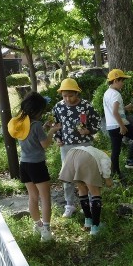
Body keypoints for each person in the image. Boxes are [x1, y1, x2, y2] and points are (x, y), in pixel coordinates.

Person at [8, 92, 61, 242]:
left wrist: (44, 128)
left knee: (32, 197)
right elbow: (44, 144)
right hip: (37, 165)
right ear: (37, 110)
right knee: (45, 197)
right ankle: (46, 231)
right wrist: (52, 131)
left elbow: (31, 137)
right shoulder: (36, 125)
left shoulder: (21, 123)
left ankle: (38, 225)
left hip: (24, 164)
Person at [52, 78, 101, 218]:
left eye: (71, 95)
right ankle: (69, 204)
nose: (68, 99)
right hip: (66, 146)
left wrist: (89, 131)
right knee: (68, 176)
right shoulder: (58, 107)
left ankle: (90, 202)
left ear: (77, 93)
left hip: (85, 144)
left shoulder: (86, 105)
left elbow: (97, 121)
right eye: (64, 96)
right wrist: (57, 138)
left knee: (87, 174)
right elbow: (55, 124)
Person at [59, 146, 113, 235]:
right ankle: (95, 227)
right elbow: (105, 166)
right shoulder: (105, 156)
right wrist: (107, 179)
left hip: (71, 155)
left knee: (82, 189)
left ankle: (88, 220)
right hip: (86, 158)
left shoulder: (95, 151)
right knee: (95, 192)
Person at [103, 69, 133, 180]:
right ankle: (130, 160)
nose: (123, 83)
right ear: (115, 80)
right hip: (119, 125)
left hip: (111, 126)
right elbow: (115, 112)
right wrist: (122, 126)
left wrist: (125, 108)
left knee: (115, 150)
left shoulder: (107, 93)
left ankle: (115, 174)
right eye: (122, 81)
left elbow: (113, 110)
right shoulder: (116, 94)